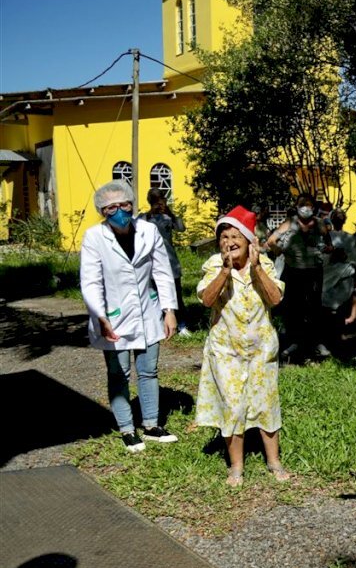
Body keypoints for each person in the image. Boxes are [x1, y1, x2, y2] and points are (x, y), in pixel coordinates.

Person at [79, 179, 179, 452]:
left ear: (133, 204)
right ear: (103, 211)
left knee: (149, 370)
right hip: (113, 316)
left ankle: (151, 425)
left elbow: (162, 272)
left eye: (124, 204)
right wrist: (100, 316)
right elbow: (90, 282)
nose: (120, 210)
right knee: (118, 373)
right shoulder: (94, 237)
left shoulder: (149, 231)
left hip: (148, 311)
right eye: (112, 207)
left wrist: (169, 311)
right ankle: (126, 429)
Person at [195, 206, 288, 486]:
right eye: (224, 237)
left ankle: (273, 461)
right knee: (233, 406)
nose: (229, 242)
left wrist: (257, 268)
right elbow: (207, 299)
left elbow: (275, 299)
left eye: (235, 236)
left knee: (266, 404)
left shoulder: (265, 264)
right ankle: (236, 466)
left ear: (249, 241)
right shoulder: (213, 264)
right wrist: (225, 271)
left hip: (261, 347)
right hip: (226, 349)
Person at [266, 193, 329, 360]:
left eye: (309, 205)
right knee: (294, 307)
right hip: (293, 271)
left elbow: (328, 242)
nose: (306, 208)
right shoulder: (289, 223)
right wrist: (279, 250)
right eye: (303, 204)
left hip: (314, 270)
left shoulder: (319, 223)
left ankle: (315, 343)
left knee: (314, 307)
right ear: (296, 205)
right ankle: (294, 342)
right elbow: (271, 240)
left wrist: (325, 249)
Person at [138, 187, 190, 336]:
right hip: (158, 262)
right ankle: (168, 324)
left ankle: (177, 324)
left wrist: (171, 214)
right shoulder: (149, 218)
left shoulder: (160, 218)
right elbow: (181, 228)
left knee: (171, 294)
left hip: (166, 262)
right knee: (162, 295)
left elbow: (181, 228)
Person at [321, 208, 356, 351]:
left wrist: (344, 256)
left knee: (341, 309)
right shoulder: (325, 236)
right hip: (327, 276)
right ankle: (326, 339)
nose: (339, 219)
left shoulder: (350, 238)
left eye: (341, 216)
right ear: (332, 219)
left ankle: (339, 337)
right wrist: (330, 254)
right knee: (326, 309)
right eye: (336, 216)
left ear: (344, 220)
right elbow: (319, 255)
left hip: (344, 277)